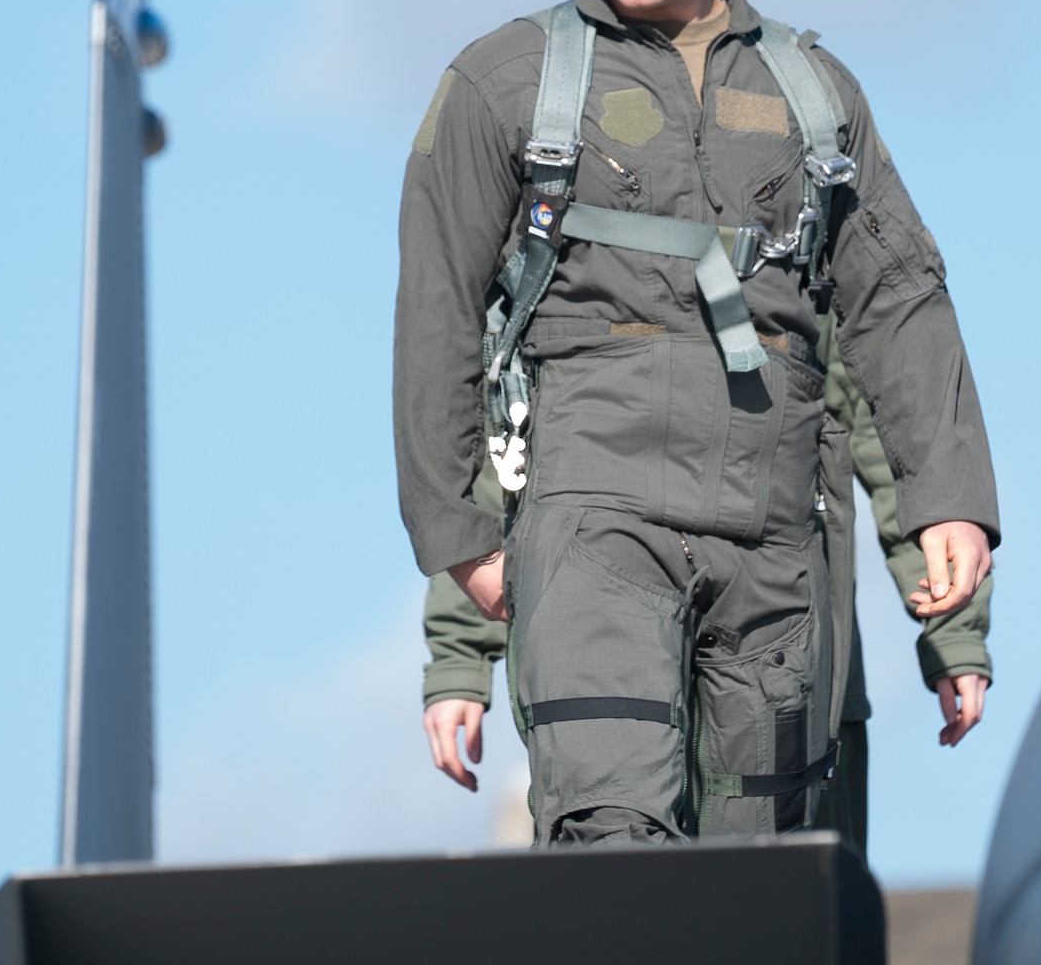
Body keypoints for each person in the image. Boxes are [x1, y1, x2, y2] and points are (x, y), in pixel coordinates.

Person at [394, 0, 1000, 846]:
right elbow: (443, 318)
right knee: (611, 839)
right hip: (593, 507)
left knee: (757, 885)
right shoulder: (506, 83)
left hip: (776, 532)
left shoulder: (815, 95)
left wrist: (947, 500)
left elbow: (896, 303)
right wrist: (460, 539)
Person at [419, 314, 996, 848]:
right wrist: (460, 657)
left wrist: (954, 626)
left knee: (800, 917)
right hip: (621, 663)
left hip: (799, 677)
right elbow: (515, 452)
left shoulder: (801, 247)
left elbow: (898, 427)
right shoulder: (584, 252)